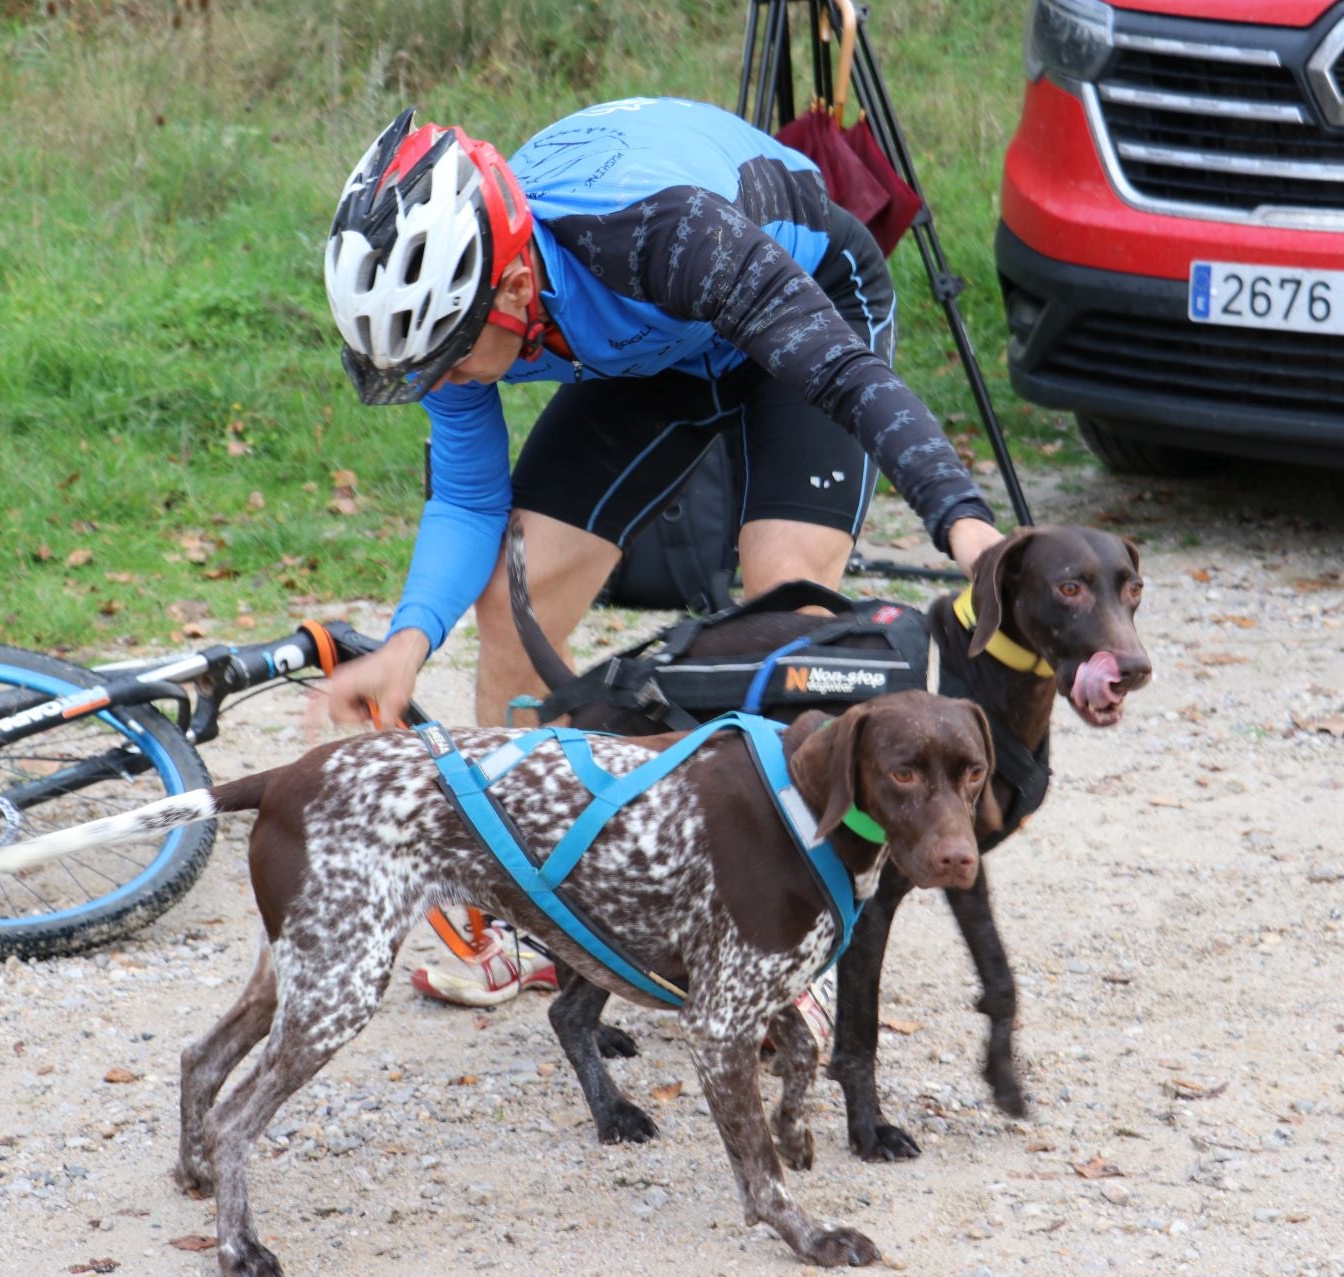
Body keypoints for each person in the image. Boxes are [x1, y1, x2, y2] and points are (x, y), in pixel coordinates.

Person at [320, 97, 1002, 1006]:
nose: (436, 382)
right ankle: (529, 915)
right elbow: (470, 497)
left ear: (514, 287)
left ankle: (786, 939)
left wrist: (964, 521)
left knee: (789, 620)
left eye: (445, 359)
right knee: (515, 596)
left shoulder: (658, 235)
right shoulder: (449, 318)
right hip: (660, 349)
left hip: (800, 307)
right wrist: (405, 646)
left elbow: (845, 379)